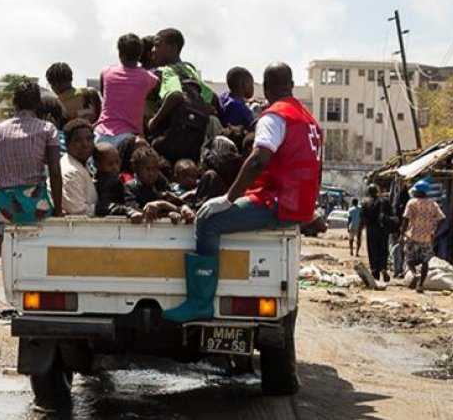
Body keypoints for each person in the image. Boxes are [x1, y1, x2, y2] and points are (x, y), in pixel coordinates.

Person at [164, 63, 322, 323]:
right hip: (299, 204)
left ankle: (200, 303)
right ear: (292, 85)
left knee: (207, 220)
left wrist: (228, 199)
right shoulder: (310, 120)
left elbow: (259, 160)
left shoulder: (274, 116)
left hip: (279, 203)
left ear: (266, 87)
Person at [0, 81, 63, 224]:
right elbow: (54, 171)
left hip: (5, 207)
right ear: (38, 104)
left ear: (14, 102)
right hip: (36, 208)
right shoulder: (48, 129)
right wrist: (58, 210)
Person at [147, 28, 215, 163]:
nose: (153, 50)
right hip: (194, 141)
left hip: (171, 138)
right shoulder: (190, 70)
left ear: (172, 47)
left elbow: (175, 95)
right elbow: (210, 97)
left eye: (157, 45)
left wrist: (153, 121)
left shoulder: (167, 70)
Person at [93, 34, 160, 146]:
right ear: (140, 55)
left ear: (120, 54)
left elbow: (104, 96)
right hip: (129, 137)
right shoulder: (147, 78)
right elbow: (158, 92)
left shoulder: (106, 73)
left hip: (101, 133)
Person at [124, 144, 193, 224]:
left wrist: (166, 207)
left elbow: (177, 205)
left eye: (155, 168)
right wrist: (166, 210)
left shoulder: (160, 183)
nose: (152, 173)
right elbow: (136, 211)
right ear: (136, 169)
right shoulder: (130, 188)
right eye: (147, 169)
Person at [402, 180, 445, 292]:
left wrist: (402, 234)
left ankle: (414, 273)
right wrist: (434, 231)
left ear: (418, 192)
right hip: (427, 237)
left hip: (412, 235)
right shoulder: (433, 204)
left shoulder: (412, 202)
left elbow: (405, 219)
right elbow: (442, 218)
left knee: (408, 257)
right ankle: (420, 285)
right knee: (425, 261)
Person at [61, 118, 98, 216]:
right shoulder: (71, 172)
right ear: (67, 144)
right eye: (78, 140)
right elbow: (79, 211)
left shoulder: (84, 165)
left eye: (89, 139)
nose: (85, 144)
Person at [361, 184, 394, 282]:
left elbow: (362, 218)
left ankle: (375, 270)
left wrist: (359, 231)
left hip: (371, 231)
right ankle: (383, 268)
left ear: (369, 192)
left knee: (373, 250)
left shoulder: (366, 203)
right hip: (383, 230)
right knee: (383, 250)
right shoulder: (386, 201)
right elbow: (391, 215)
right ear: (378, 191)